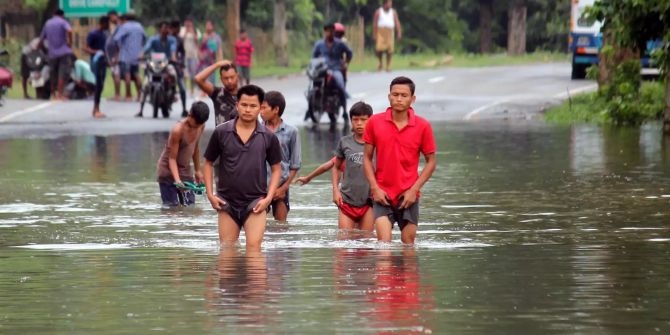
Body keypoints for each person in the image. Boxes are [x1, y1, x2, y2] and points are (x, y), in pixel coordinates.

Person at [203, 85, 283, 251]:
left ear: (260, 108)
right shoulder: (221, 132)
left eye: (253, 106)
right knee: (227, 253)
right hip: (226, 201)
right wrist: (210, 194)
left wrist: (268, 198)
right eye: (244, 105)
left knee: (254, 252)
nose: (248, 110)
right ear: (237, 105)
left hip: (255, 202)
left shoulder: (268, 137)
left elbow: (276, 168)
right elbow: (208, 162)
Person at [362, 76, 436, 244]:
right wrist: (375, 188)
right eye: (395, 94)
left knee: (408, 246)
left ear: (412, 99)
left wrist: (414, 190)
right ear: (389, 97)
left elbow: (431, 162)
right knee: (384, 245)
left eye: (404, 95)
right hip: (382, 194)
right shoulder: (375, 122)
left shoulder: (423, 126)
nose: (399, 99)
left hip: (409, 194)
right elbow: (366, 158)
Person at [156, 101, 210, 207]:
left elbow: (195, 148)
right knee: (172, 209)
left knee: (190, 207)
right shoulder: (178, 130)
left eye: (200, 124)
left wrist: (198, 170)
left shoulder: (200, 125)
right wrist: (177, 180)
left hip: (185, 170)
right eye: (196, 124)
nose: (197, 127)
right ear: (190, 115)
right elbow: (172, 159)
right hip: (168, 171)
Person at [332, 102, 374, 231]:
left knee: (366, 242)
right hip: (347, 200)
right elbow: (336, 167)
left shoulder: (377, 143)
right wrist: (335, 190)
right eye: (355, 120)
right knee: (344, 240)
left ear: (371, 120)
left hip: (369, 201)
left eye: (363, 120)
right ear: (351, 120)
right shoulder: (345, 142)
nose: (359, 123)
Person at [260, 91, 301, 222]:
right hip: (260, 187)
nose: (260, 111)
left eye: (264, 107)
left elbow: (295, 165)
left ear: (276, 109)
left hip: (281, 186)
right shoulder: (257, 130)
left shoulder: (291, 132)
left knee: (281, 227)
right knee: (259, 226)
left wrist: (284, 188)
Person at [312, 23, 353, 111]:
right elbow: (314, 57)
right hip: (322, 69)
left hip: (335, 69)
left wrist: (345, 63)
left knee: (340, 84)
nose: (329, 33)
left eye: (331, 31)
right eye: (327, 31)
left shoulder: (340, 43)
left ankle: (344, 110)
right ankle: (312, 105)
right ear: (324, 32)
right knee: (314, 83)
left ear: (334, 32)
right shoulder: (319, 44)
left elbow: (349, 53)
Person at [39, 8, 74, 101]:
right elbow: (70, 31)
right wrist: (70, 42)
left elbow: (41, 39)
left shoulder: (47, 23)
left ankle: (53, 94)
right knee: (62, 74)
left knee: (53, 73)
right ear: (62, 15)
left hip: (52, 53)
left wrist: (42, 49)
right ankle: (60, 94)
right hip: (64, 52)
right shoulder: (63, 22)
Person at [194, 60, 239, 126]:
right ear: (221, 79)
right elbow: (198, 79)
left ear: (237, 76)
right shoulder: (217, 93)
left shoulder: (245, 94)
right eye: (226, 78)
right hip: (221, 135)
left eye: (232, 77)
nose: (229, 81)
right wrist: (217, 65)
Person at [113, 13, 145, 102]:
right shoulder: (140, 26)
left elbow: (116, 39)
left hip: (126, 55)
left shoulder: (125, 27)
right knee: (136, 74)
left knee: (127, 75)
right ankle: (140, 94)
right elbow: (144, 38)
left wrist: (119, 48)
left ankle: (128, 95)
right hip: (136, 55)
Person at [84, 15, 110, 118]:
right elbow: (85, 48)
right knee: (98, 84)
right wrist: (96, 52)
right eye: (108, 23)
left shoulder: (104, 34)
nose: (109, 26)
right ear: (103, 23)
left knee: (101, 85)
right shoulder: (93, 34)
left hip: (103, 62)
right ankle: (96, 109)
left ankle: (96, 108)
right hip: (96, 62)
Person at [373, 0, 402, 72]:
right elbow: (375, 24)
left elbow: (397, 22)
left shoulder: (393, 12)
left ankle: (388, 65)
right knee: (379, 49)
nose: (391, 4)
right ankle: (380, 63)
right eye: (389, 3)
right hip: (381, 32)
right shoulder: (378, 12)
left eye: (391, 3)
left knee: (390, 50)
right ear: (385, 3)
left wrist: (399, 32)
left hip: (390, 32)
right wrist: (374, 34)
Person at [170, 20, 188, 118]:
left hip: (176, 64)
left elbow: (183, 53)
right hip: (165, 63)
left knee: (182, 86)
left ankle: (184, 108)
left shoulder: (179, 39)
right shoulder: (167, 38)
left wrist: (181, 63)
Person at [179, 18, 201, 97]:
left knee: (193, 74)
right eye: (186, 22)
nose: (188, 24)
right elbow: (180, 40)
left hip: (193, 56)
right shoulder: (182, 30)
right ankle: (184, 89)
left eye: (189, 22)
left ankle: (192, 89)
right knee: (184, 73)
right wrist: (186, 32)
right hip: (184, 55)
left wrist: (192, 32)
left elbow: (198, 41)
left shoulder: (195, 30)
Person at [198, 21, 224, 85]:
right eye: (207, 25)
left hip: (212, 61)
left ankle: (211, 92)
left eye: (209, 25)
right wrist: (199, 56)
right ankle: (204, 91)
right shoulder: (202, 36)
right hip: (203, 62)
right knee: (204, 77)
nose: (208, 27)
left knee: (212, 79)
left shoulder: (216, 37)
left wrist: (221, 59)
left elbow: (219, 49)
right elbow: (199, 47)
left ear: (213, 26)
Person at [106, 10, 122, 100]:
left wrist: (117, 56)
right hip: (111, 54)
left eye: (111, 17)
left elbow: (119, 43)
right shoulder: (112, 26)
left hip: (116, 53)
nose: (110, 19)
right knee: (113, 73)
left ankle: (118, 94)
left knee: (116, 74)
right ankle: (116, 93)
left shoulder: (119, 27)